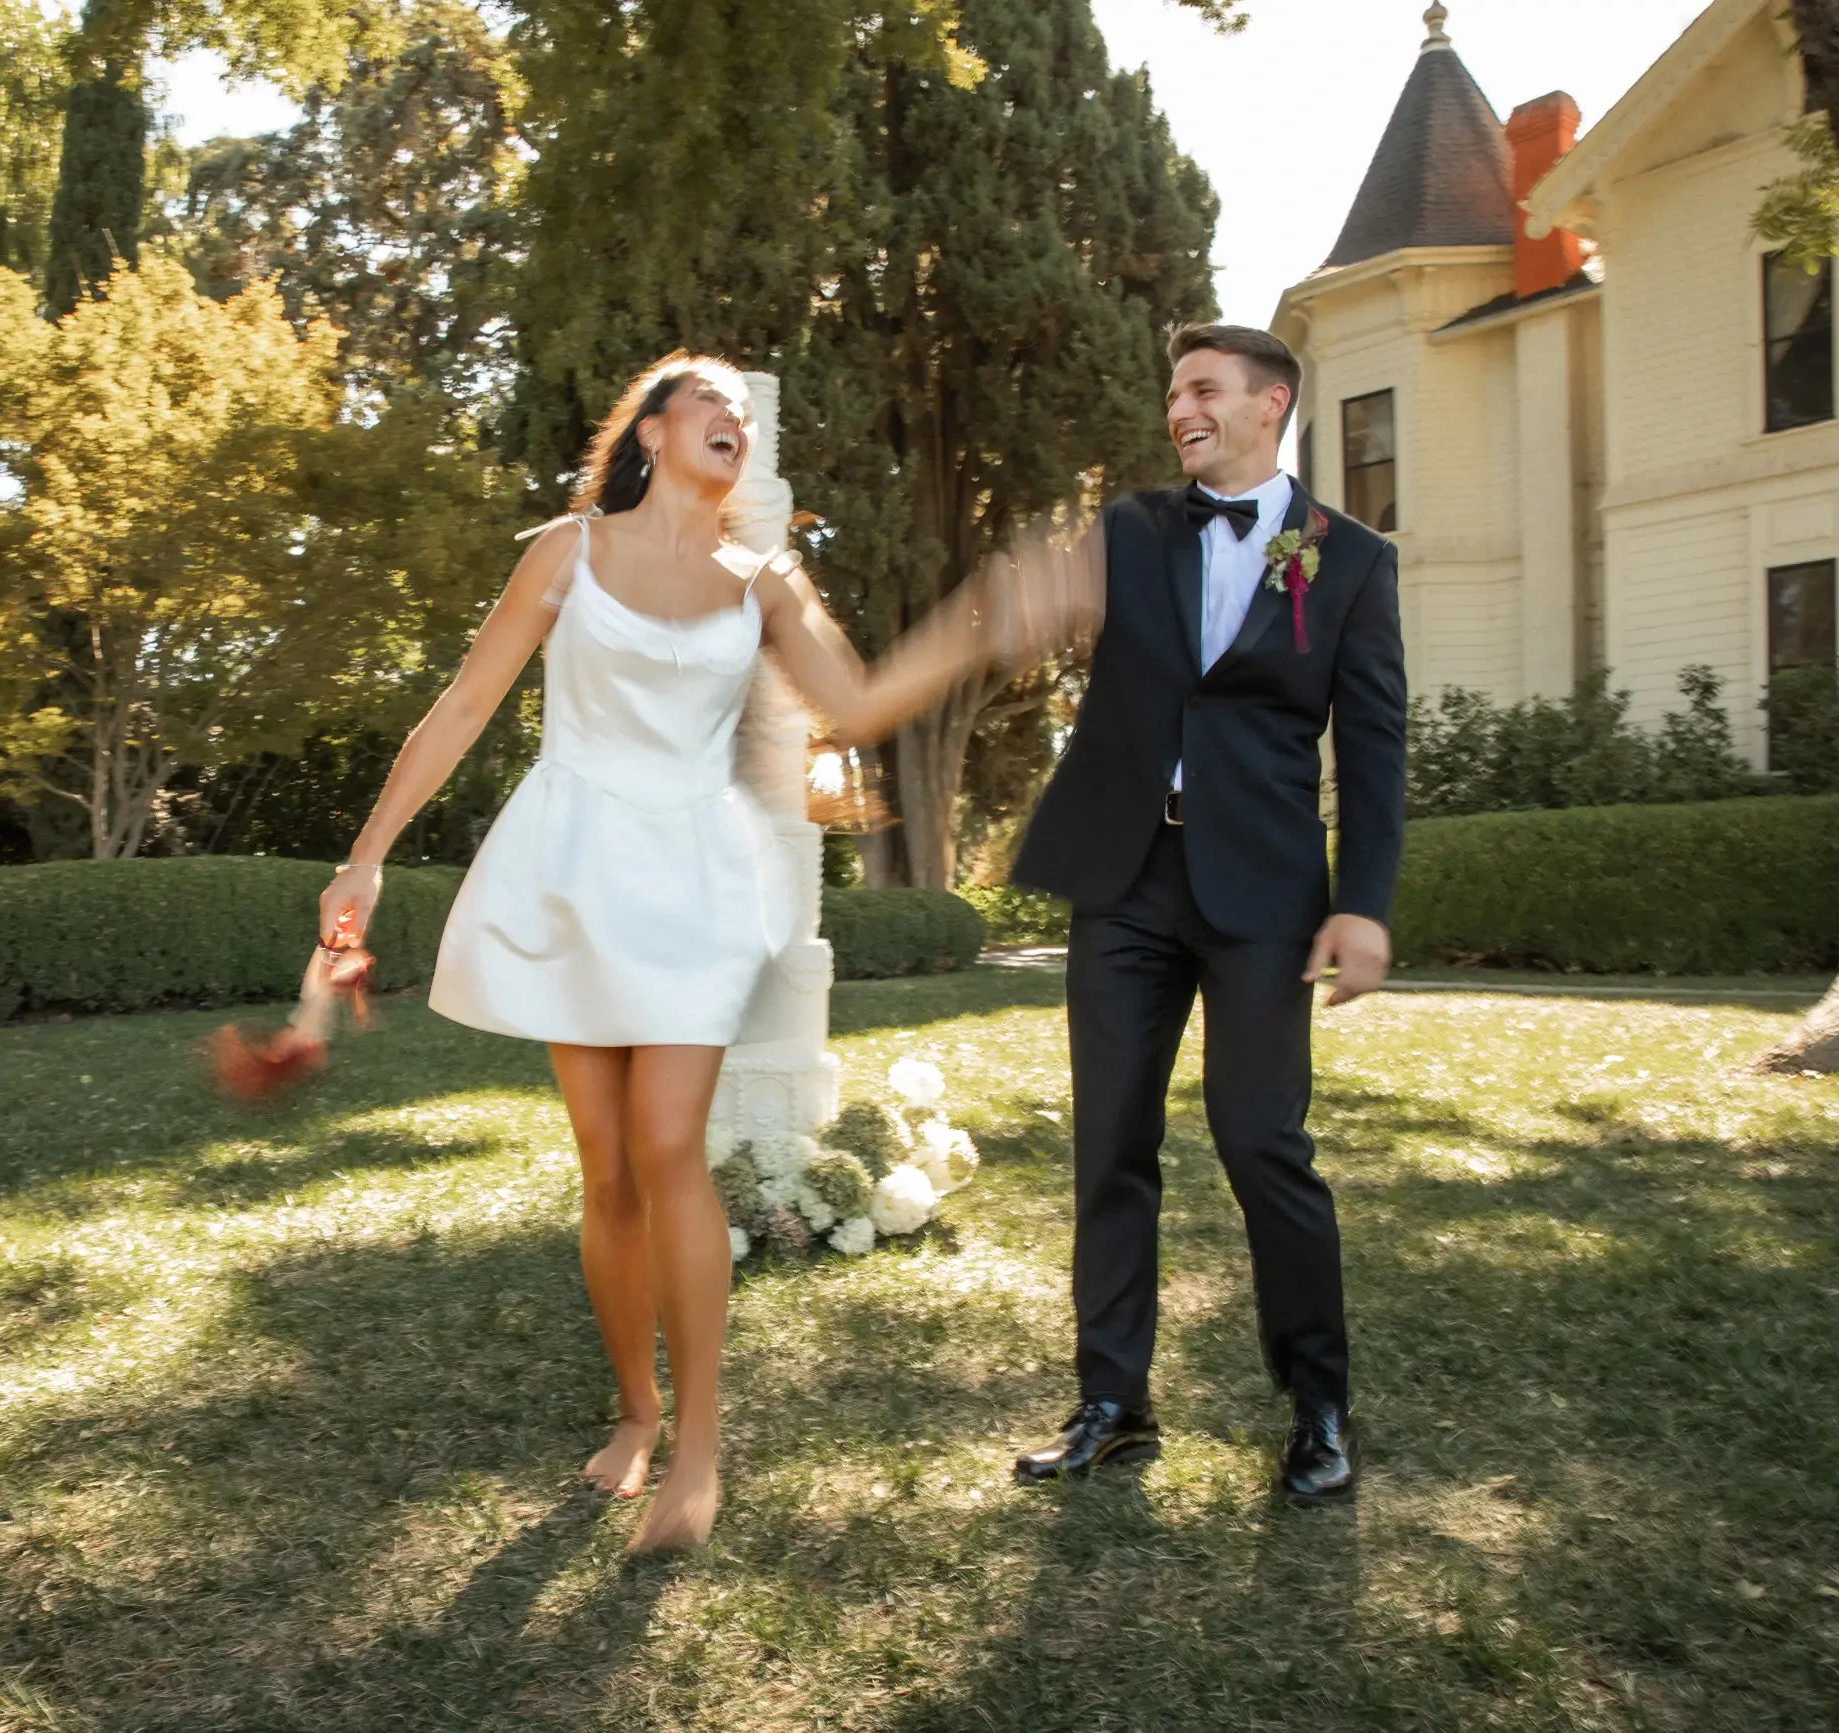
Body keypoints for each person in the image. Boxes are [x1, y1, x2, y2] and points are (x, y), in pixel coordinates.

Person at [319, 353, 1098, 1551]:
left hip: (691, 874)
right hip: (574, 864)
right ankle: (634, 1409)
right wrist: (366, 854)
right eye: (711, 402)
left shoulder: (761, 577)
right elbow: (465, 704)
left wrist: (986, 616)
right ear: (649, 428)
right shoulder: (564, 551)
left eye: (743, 408)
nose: (733, 418)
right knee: (606, 1162)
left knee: (669, 1139)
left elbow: (864, 698)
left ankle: (698, 1450)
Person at [1007, 323, 1407, 1503]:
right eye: (1171, 392)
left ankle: (1317, 1404)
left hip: (1263, 895)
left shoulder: (1352, 561)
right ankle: (1112, 1401)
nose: (1177, 408)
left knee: (1260, 1141)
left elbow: (1374, 752)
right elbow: (1041, 610)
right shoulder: (1130, 529)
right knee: (1110, 1143)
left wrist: (1365, 906)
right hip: (1125, 878)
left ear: (1267, 401)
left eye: (1199, 388)